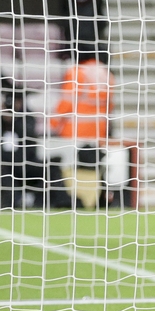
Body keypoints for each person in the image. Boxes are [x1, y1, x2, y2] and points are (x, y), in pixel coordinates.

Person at [50, 46, 116, 209]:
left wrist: (52, 125)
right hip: (97, 133)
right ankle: (96, 200)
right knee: (94, 170)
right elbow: (109, 106)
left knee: (68, 170)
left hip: (73, 132)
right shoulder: (107, 75)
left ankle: (72, 200)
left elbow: (66, 102)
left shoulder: (77, 72)